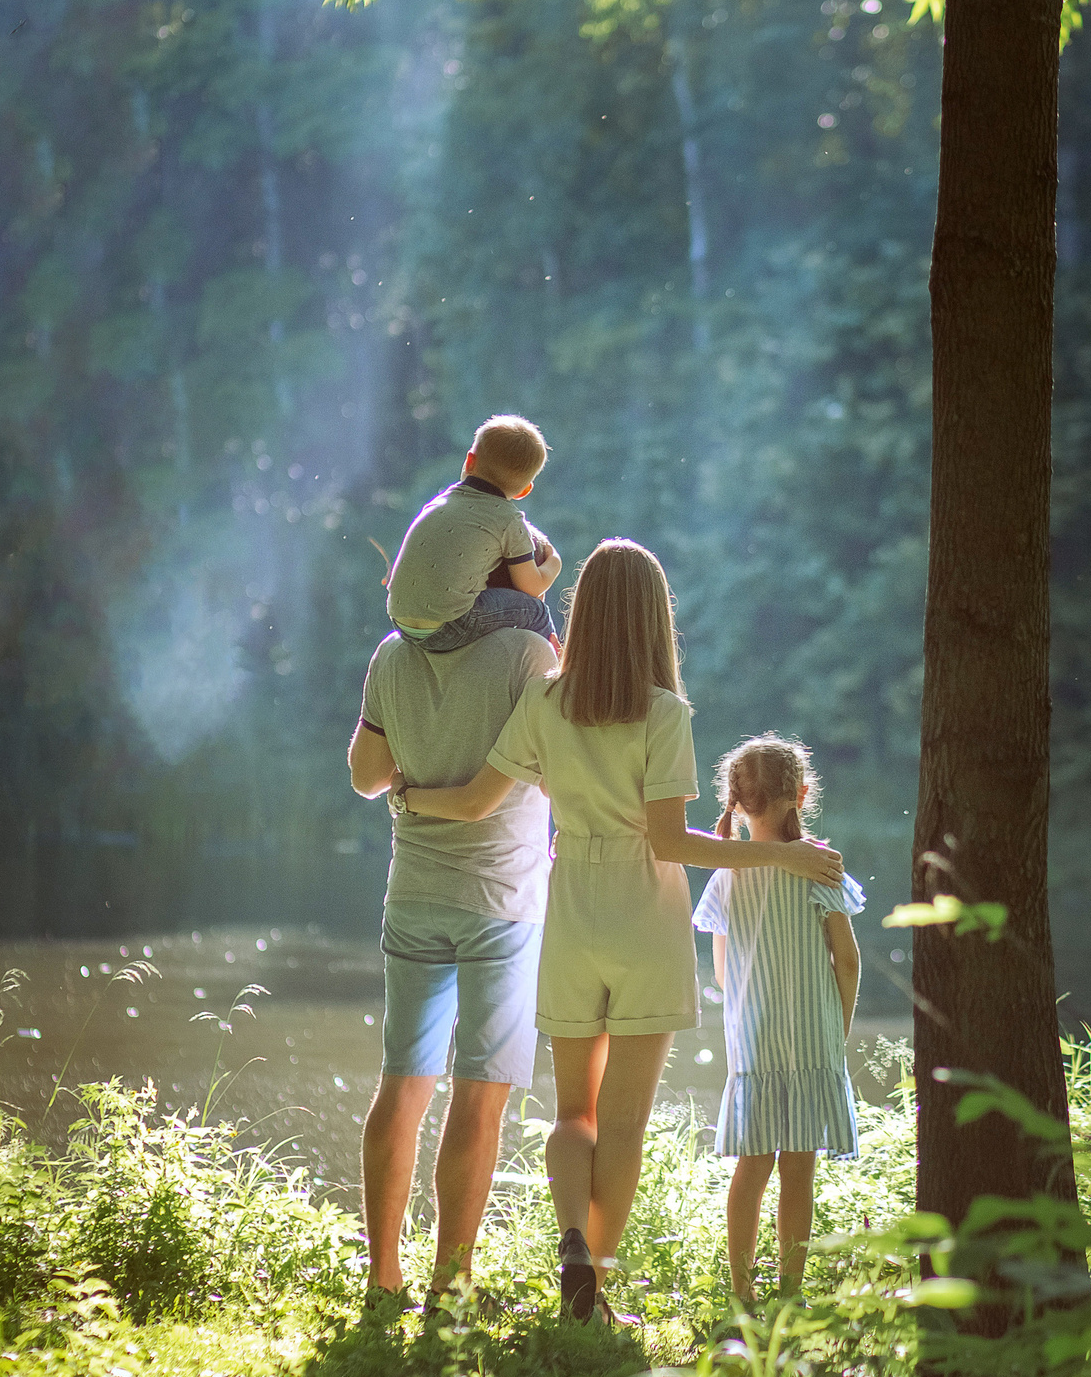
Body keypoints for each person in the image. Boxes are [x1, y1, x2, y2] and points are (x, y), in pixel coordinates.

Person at [401, 539, 844, 1322]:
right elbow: (671, 841)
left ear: (585, 612)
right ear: (654, 620)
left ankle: (573, 1241)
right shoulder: (665, 713)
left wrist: (406, 798)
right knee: (624, 1123)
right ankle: (594, 1292)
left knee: (575, 1112)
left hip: (570, 905)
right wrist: (783, 858)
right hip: (646, 912)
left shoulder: (544, 699)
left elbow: (474, 801)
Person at [347, 616, 557, 1302]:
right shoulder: (528, 652)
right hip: (502, 900)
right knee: (479, 1095)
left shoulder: (393, 654)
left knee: (401, 1082)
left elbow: (366, 775)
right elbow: (560, 771)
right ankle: (450, 1286)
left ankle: (382, 1279)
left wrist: (416, 776)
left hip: (413, 893)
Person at [696, 734, 863, 1305]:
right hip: (813, 1042)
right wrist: (836, 1029)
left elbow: (722, 976)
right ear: (802, 793)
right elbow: (847, 961)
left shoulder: (727, 877)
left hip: (753, 1046)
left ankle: (741, 1292)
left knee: (752, 1166)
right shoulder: (819, 870)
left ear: (737, 804)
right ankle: (791, 1294)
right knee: (799, 1170)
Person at [385, 414, 563, 654]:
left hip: (399, 619)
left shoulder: (439, 502)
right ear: (524, 491)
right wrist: (554, 561)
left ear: (470, 461)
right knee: (535, 610)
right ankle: (555, 666)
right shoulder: (508, 519)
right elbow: (531, 586)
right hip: (449, 626)